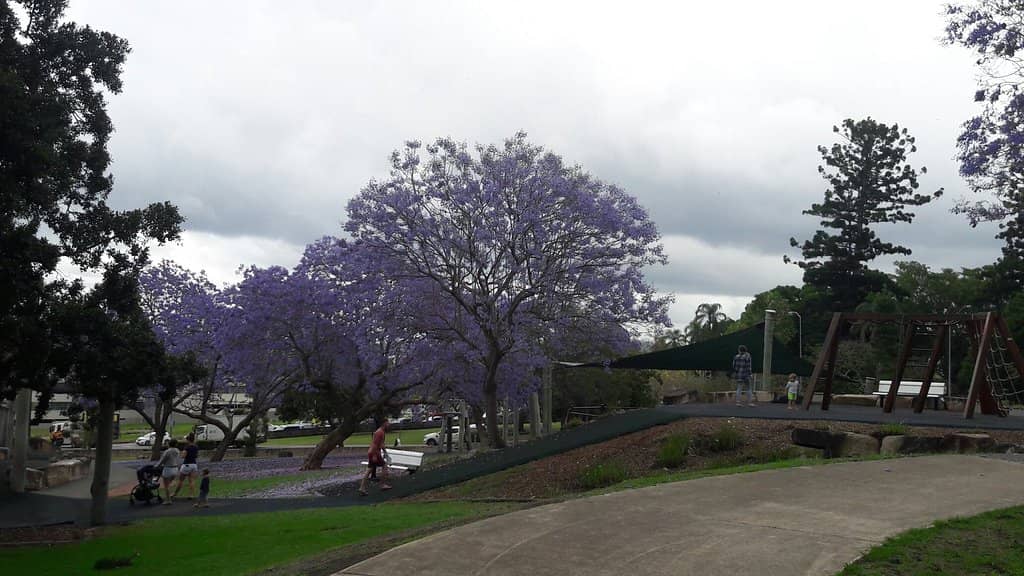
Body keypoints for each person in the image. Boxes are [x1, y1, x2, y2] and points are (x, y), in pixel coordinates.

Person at [359, 419, 392, 495]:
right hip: (374, 453)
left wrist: (385, 452)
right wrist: (374, 455)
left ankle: (362, 488)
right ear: (384, 423)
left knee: (369, 470)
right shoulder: (379, 432)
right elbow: (374, 444)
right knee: (384, 466)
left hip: (374, 452)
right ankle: (383, 484)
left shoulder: (382, 432)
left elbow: (381, 444)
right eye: (388, 423)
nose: (389, 425)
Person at [173, 433, 200, 500]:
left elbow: (183, 456)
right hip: (194, 465)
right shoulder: (196, 447)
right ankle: (191, 495)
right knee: (191, 480)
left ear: (188, 440)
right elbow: (197, 455)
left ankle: (175, 493)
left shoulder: (187, 447)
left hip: (186, 464)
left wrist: (182, 454)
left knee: (181, 480)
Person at [156, 439, 181, 504]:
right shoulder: (177, 451)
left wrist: (156, 466)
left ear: (169, 444)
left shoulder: (167, 451)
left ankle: (168, 500)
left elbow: (162, 460)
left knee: (166, 486)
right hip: (175, 469)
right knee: (169, 483)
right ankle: (170, 494)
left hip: (168, 469)